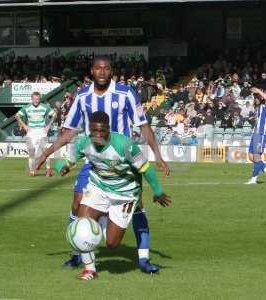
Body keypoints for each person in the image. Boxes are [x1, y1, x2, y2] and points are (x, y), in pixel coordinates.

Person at [36, 55, 170, 274]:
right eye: (98, 68)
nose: (101, 72)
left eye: (106, 68)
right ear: (91, 71)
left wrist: (158, 155)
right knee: (77, 205)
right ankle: (78, 253)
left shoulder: (126, 93)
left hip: (124, 163)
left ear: (111, 72)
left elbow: (143, 125)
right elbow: (69, 132)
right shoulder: (83, 96)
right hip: (93, 160)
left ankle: (143, 258)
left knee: (138, 207)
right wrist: (46, 153)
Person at [55, 112, 171, 280]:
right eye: (94, 130)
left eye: (102, 131)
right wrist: (62, 167)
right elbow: (66, 161)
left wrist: (158, 191)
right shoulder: (84, 143)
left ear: (109, 129)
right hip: (98, 188)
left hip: (124, 194)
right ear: (89, 129)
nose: (98, 135)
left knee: (112, 244)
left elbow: (146, 169)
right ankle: (90, 270)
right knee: (82, 225)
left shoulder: (125, 145)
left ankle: (103, 216)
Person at [15, 92, 54, 177]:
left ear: (40, 99)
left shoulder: (44, 107)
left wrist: (48, 126)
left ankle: (48, 169)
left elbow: (54, 114)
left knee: (45, 151)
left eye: (38, 99)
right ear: (31, 99)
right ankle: (32, 171)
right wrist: (24, 125)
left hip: (41, 130)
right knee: (31, 152)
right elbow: (17, 116)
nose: (36, 101)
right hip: (31, 131)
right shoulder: (26, 108)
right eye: (35, 99)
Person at [246, 87, 266, 184]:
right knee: (251, 156)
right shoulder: (257, 108)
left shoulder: (265, 106)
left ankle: (254, 178)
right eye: (255, 97)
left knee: (256, 156)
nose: (256, 99)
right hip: (255, 133)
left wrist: (258, 90)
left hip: (261, 134)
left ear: (261, 97)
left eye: (257, 97)